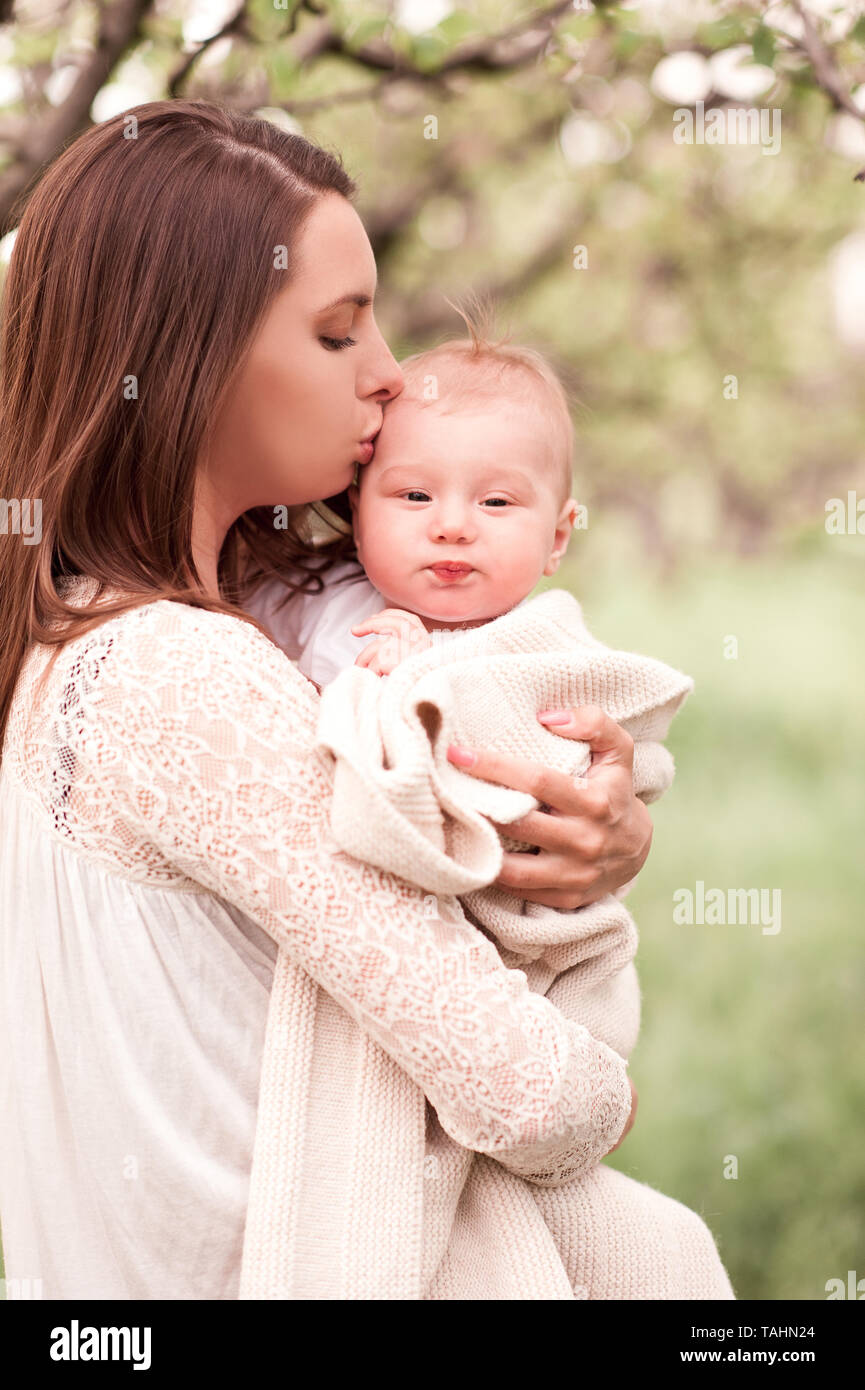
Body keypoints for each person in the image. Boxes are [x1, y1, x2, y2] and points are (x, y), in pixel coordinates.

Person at [0, 98, 728, 1299]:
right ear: (191, 358)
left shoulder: (90, 627)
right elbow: (534, 1097)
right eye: (340, 335)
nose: (391, 378)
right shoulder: (181, 673)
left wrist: (583, 828)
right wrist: (608, 1088)